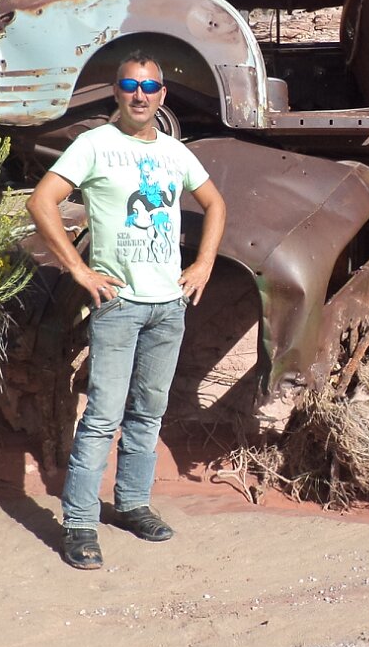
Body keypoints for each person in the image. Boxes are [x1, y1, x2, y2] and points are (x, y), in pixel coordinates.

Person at [26, 53, 226, 570]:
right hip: (118, 305)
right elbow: (42, 202)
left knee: (148, 413)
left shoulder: (175, 152)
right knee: (102, 416)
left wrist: (203, 263)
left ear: (162, 96)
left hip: (169, 306)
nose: (140, 95)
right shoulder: (94, 145)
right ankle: (79, 524)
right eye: (130, 86)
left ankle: (134, 504)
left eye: (150, 87)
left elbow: (216, 203)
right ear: (116, 92)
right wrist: (78, 269)